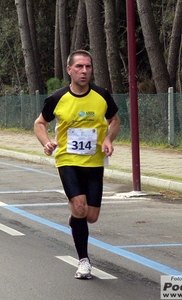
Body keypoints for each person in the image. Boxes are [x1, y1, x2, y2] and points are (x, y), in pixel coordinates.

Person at [34, 50, 120, 279]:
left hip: (94, 162)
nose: (84, 71)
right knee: (80, 206)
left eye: (88, 67)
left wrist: (109, 138)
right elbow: (40, 123)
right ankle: (84, 261)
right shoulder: (57, 98)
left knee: (91, 216)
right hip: (68, 160)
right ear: (69, 69)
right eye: (79, 67)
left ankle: (75, 219)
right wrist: (46, 143)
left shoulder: (102, 95)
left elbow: (114, 120)